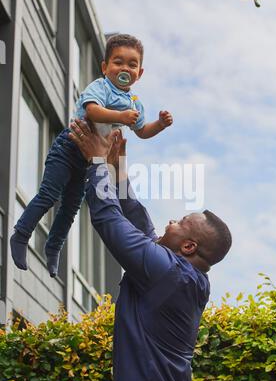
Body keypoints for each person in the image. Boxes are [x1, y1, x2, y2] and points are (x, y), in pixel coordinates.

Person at [69, 119, 232, 381]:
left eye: (180, 222)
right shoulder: (182, 275)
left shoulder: (170, 273)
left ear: (189, 246)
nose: (170, 222)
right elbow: (140, 225)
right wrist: (117, 170)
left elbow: (110, 220)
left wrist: (96, 163)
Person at [10, 34, 173, 277]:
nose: (125, 68)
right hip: (69, 148)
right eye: (118, 62)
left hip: (89, 161)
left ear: (139, 73)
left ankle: (53, 248)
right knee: (49, 195)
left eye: (132, 64)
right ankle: (21, 234)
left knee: (71, 208)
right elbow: (93, 111)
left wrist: (159, 125)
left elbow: (142, 131)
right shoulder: (100, 86)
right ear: (105, 67)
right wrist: (120, 117)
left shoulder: (135, 104)